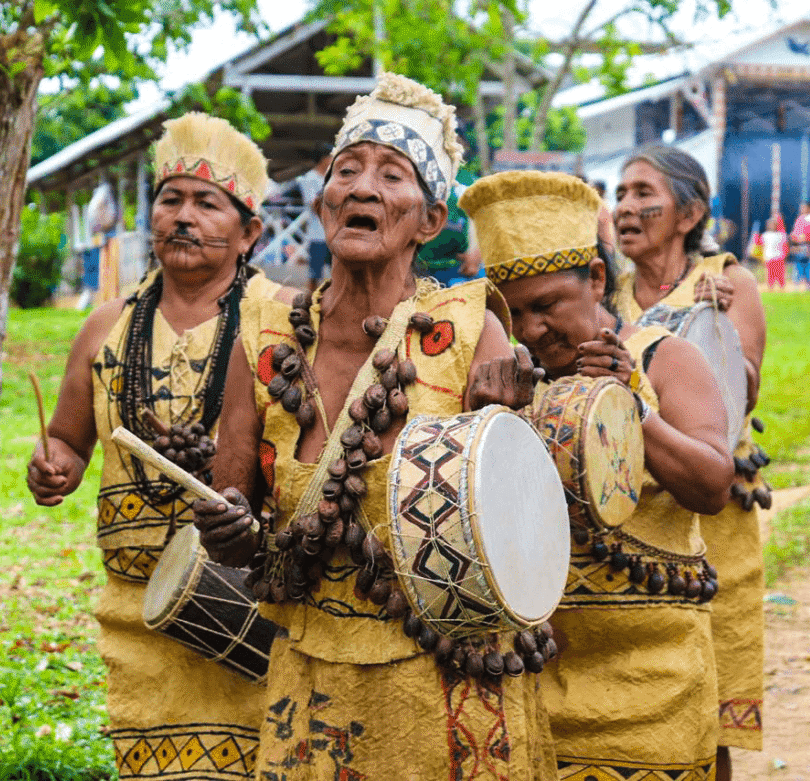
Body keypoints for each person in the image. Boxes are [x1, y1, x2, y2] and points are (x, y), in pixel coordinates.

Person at [194, 72, 557, 780]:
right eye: (346, 170)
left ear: (428, 220)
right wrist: (230, 524)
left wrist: (506, 422)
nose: (361, 187)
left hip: (450, 691)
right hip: (312, 684)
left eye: (392, 175)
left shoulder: (464, 332)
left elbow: (522, 528)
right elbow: (229, 501)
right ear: (323, 198)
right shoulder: (265, 336)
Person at [25, 112, 294, 781]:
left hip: (253, 603)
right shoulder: (105, 326)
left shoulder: (285, 319)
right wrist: (55, 462)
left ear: (249, 231)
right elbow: (66, 437)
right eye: (170, 199)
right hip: (137, 610)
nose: (183, 215)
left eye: (208, 203)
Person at [460, 169, 733, 779]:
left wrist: (630, 404)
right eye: (515, 313)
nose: (532, 330)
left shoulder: (665, 357)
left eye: (549, 305)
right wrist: (482, 427)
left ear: (597, 279)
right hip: (534, 677)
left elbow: (715, 484)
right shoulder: (502, 383)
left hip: (655, 678)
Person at [609, 145, 768, 781]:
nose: (625, 207)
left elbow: (739, 395)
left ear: (690, 212)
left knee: (708, 714)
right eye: (619, 193)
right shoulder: (602, 290)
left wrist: (709, 318)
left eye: (644, 192)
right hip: (627, 519)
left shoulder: (731, 281)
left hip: (712, 520)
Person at [297, 153, 332, 292]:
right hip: (317, 233)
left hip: (332, 233)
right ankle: (309, 301)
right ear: (324, 158)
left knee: (336, 270)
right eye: (330, 157)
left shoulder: (332, 178)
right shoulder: (309, 178)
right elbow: (312, 204)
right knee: (315, 274)